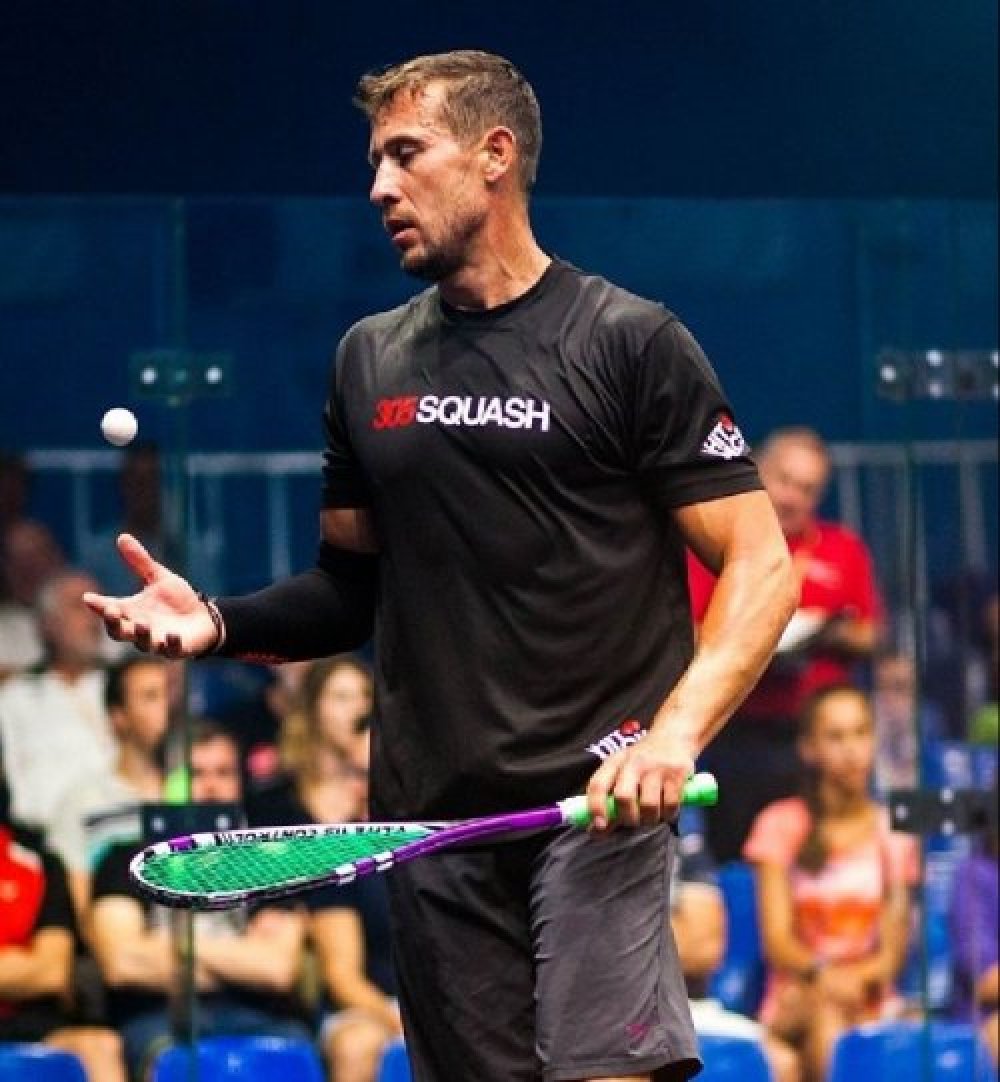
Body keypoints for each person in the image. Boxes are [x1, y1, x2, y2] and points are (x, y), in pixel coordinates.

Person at [83, 50, 798, 1082]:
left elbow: (760, 565)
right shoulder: (366, 358)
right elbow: (348, 590)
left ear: (494, 155)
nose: (380, 187)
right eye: (375, 162)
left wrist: (671, 738)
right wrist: (220, 622)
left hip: (597, 805)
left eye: (406, 155)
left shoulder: (628, 341)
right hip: (429, 827)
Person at [689, 426, 884, 860]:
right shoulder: (715, 541)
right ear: (757, 471)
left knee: (823, 861)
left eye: (807, 489)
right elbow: (692, 632)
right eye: (784, 480)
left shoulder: (842, 547)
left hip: (816, 737)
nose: (792, 497)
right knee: (736, 861)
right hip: (737, 730)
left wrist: (826, 632)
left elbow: (869, 632)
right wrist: (755, 635)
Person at [89, 720, 311, 1080]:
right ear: (163, 783)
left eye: (224, 773)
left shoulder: (267, 864)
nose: (211, 787)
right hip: (159, 1018)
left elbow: (277, 968)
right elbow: (122, 962)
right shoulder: (125, 860)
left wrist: (176, 947)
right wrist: (239, 959)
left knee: (291, 1051)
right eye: (196, 774)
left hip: (258, 1018)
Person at [743, 684, 917, 1082]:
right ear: (809, 748)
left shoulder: (894, 832)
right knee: (826, 1018)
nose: (852, 749)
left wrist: (854, 981)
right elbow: (778, 942)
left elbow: (892, 954)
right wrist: (824, 975)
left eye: (861, 733)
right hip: (797, 995)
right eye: (836, 737)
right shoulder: (780, 823)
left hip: (871, 995)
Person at [0, 753, 126, 1082]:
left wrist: (30, 969)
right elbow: (34, 968)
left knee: (99, 1048)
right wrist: (17, 963)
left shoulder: (37, 862)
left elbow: (52, 971)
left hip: (26, 1024)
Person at [669, 806, 800, 1082]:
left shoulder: (676, 823)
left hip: (680, 1004)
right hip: (608, 1014)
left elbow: (703, 946)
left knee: (780, 1062)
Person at [47, 656, 171, 920]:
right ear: (119, 717)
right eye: (151, 696)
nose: (168, 706)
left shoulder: (201, 789)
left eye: (170, 694)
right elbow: (82, 913)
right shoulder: (83, 802)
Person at [0, 570, 117, 833]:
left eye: (98, 607)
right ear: (48, 624)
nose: (93, 619)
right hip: (42, 837)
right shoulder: (16, 698)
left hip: (120, 830)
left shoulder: (124, 686)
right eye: (79, 607)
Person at [0, 518, 66, 679]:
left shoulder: (90, 617)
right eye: (17, 559)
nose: (28, 568)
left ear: (56, 558)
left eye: (36, 556)